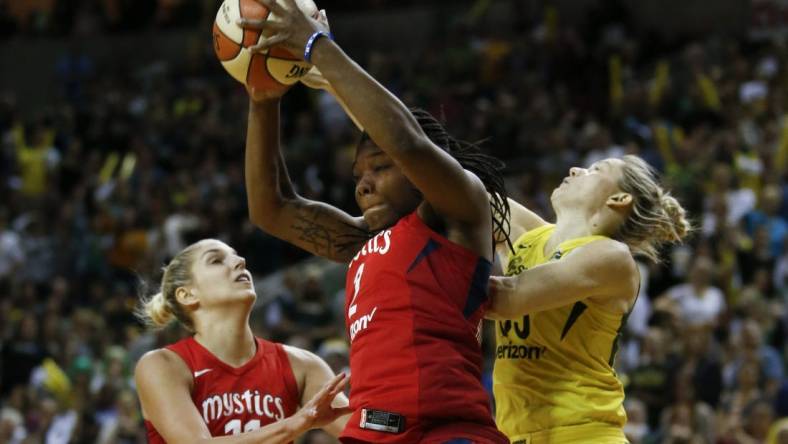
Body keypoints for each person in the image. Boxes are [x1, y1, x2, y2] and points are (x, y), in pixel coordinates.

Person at [239, 1, 510, 442]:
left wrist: (314, 44)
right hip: (371, 433)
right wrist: (263, 100)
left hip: (447, 430)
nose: (363, 185)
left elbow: (405, 140)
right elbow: (270, 208)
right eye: (358, 176)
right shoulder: (363, 241)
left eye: (380, 168)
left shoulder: (459, 210)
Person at [487, 155, 691, 443]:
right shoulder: (529, 239)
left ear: (619, 198)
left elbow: (505, 299)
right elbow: (467, 198)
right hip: (516, 434)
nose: (575, 169)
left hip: (583, 433)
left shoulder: (611, 256)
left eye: (595, 170)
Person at [134, 239, 351, 443]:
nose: (240, 261)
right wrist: (296, 424)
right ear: (187, 295)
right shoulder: (163, 365)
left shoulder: (301, 365)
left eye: (236, 257)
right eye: (216, 260)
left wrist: (384, 412)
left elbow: (363, 427)